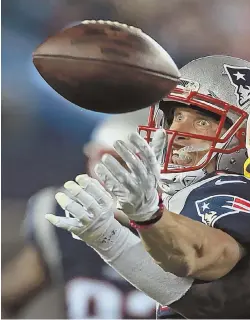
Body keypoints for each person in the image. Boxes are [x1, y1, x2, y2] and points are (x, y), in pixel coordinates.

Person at [47, 56, 250, 319]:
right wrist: (110, 234)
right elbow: (179, 289)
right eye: (176, 115)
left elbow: (205, 255)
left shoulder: (246, 189)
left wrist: (150, 217)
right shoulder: (189, 193)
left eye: (202, 121)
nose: (177, 131)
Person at [2, 109, 158, 319]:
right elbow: (8, 297)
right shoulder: (65, 215)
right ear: (90, 159)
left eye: (138, 167)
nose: (124, 178)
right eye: (113, 163)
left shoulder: (195, 222)